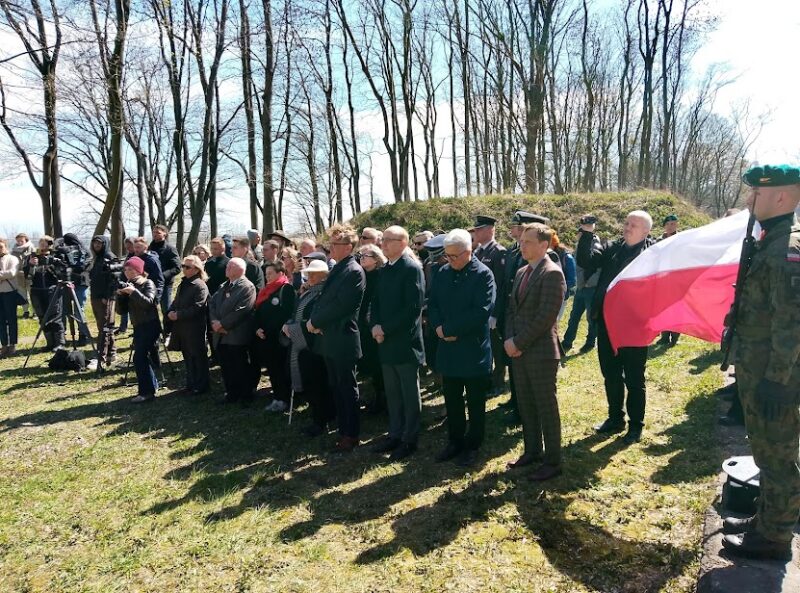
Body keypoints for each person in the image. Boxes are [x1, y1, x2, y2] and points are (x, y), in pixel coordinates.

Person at [720, 164, 800, 561]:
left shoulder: (787, 249)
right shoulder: (770, 240)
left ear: (781, 197)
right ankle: (765, 521)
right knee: (766, 453)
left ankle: (775, 538)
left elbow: (792, 322)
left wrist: (777, 380)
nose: (749, 200)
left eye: (757, 193)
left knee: (779, 457)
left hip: (774, 377)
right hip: (759, 369)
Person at [577, 210, 654, 444]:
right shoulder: (612, 248)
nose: (627, 228)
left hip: (635, 325)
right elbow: (586, 261)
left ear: (646, 231)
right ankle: (615, 418)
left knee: (634, 378)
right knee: (610, 374)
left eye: (634, 225)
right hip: (607, 322)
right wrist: (587, 234)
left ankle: (636, 426)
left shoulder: (653, 253)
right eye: (626, 223)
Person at [428, 229, 495, 467]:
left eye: (454, 256)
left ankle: (473, 444)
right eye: (447, 255)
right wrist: (438, 327)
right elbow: (433, 304)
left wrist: (450, 329)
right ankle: (455, 440)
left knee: (475, 402)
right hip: (448, 348)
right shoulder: (443, 272)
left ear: (469, 251)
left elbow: (481, 312)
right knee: (452, 399)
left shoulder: (483, 274)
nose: (450, 260)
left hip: (472, 348)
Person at [504, 224, 566, 480]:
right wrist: (509, 339)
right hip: (519, 350)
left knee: (545, 407)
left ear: (544, 245)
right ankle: (532, 451)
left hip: (540, 352)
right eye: (522, 241)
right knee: (526, 404)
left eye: (528, 241)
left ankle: (553, 461)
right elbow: (512, 310)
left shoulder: (552, 273)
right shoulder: (522, 272)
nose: (522, 245)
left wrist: (518, 342)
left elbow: (545, 317)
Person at [307, 224, 366, 452]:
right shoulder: (338, 268)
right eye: (330, 243)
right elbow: (323, 300)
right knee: (336, 387)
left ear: (348, 247)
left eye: (335, 244)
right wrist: (315, 321)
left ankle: (351, 434)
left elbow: (342, 306)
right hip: (330, 338)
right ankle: (342, 430)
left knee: (346, 388)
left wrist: (316, 322)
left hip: (343, 339)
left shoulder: (353, 271)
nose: (330, 248)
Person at [370, 226, 426, 461]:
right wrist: (375, 325)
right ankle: (395, 434)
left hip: (404, 342)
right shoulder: (385, 269)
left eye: (388, 240)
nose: (383, 244)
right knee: (393, 393)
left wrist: (385, 329)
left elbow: (412, 309)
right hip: (385, 341)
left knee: (409, 393)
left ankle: (409, 439)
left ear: (403, 243)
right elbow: (376, 302)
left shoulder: (411, 269)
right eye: (382, 240)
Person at [496, 211, 548, 420]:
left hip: (530, 322)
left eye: (516, 226)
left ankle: (522, 408)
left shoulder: (545, 258)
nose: (513, 229)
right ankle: (515, 400)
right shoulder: (514, 251)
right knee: (514, 363)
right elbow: (508, 284)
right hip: (513, 316)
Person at [282, 259, 335, 436]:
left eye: (314, 274)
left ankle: (322, 420)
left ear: (324, 276)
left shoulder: (324, 294)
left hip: (314, 344)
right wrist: (288, 324)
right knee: (309, 382)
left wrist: (295, 327)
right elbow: (295, 313)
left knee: (318, 383)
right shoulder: (306, 292)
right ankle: (317, 415)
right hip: (301, 342)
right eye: (309, 274)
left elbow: (316, 319)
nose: (310, 277)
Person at [209, 258, 257, 406]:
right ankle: (231, 393)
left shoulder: (247, 287)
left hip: (237, 335)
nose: (227, 268)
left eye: (231, 266)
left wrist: (223, 324)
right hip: (220, 334)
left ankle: (245, 395)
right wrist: (215, 322)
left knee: (240, 366)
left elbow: (242, 310)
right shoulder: (223, 285)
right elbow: (212, 304)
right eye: (227, 266)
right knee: (226, 366)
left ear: (241, 270)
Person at [116, 257, 161, 403]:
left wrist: (133, 292)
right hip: (138, 326)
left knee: (139, 358)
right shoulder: (129, 285)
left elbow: (148, 303)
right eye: (126, 269)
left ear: (139, 270)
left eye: (131, 269)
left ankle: (146, 393)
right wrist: (120, 296)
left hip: (150, 325)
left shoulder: (147, 283)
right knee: (141, 357)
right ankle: (152, 386)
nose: (127, 272)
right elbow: (121, 311)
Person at [472, 215, 507, 395]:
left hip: (492, 310)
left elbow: (500, 286)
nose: (476, 232)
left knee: (496, 348)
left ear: (490, 230)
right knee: (485, 347)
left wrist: (495, 314)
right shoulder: (478, 252)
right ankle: (486, 380)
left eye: (479, 229)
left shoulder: (498, 252)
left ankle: (498, 382)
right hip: (480, 309)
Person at [254, 260, 296, 413]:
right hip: (265, 338)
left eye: (271, 273)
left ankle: (284, 399)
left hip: (279, 338)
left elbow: (287, 314)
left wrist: (271, 329)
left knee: (280, 369)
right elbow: (258, 312)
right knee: (272, 369)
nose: (267, 277)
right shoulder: (265, 291)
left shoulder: (286, 289)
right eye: (266, 274)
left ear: (281, 273)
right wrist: (257, 328)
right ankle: (277, 397)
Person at [166, 255, 210, 396]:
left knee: (198, 356)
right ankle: (190, 384)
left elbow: (198, 307)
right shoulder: (183, 283)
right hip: (182, 327)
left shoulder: (200, 285)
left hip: (194, 327)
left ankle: (201, 385)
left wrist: (179, 314)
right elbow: (176, 301)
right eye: (183, 266)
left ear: (196, 269)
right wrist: (170, 311)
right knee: (188, 357)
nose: (184, 269)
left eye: (187, 267)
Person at [356, 243, 387, 413]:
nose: (361, 259)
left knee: (379, 365)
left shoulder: (381, 275)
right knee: (373, 366)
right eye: (360, 256)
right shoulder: (363, 275)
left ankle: (384, 401)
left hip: (376, 326)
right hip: (364, 326)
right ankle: (377, 398)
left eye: (365, 256)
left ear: (376, 259)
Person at [562, 226, 600, 354]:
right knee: (574, 316)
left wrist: (589, 282)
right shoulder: (580, 246)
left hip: (591, 288)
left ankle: (590, 342)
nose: (577, 235)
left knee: (591, 318)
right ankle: (567, 341)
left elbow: (599, 269)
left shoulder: (596, 246)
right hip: (581, 288)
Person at [25, 236, 65, 351]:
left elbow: (61, 274)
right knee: (42, 317)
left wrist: (51, 263)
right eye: (41, 242)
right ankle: (50, 343)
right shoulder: (31, 256)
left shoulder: (56, 256)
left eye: (46, 242)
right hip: (36, 290)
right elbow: (27, 276)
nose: (43, 245)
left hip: (53, 289)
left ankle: (59, 343)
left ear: (50, 244)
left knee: (55, 316)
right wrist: (31, 265)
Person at [88, 235, 119, 365]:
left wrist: (108, 296)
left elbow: (114, 280)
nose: (96, 245)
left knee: (105, 327)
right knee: (103, 326)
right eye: (94, 243)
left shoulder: (110, 257)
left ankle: (102, 356)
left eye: (99, 243)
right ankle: (112, 352)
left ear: (104, 244)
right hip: (95, 295)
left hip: (105, 298)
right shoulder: (96, 258)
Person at [657, 214, 681, 346]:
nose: (671, 226)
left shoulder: (681, 240)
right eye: (668, 224)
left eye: (673, 224)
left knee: (676, 309)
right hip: (662, 279)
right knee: (663, 308)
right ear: (664, 226)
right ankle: (664, 336)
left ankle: (675, 336)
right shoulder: (658, 241)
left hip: (677, 280)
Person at [149, 225, 181, 315]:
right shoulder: (149, 248)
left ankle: (168, 324)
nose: (155, 234)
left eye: (158, 233)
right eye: (154, 232)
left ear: (165, 234)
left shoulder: (170, 249)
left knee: (166, 309)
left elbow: (177, 268)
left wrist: (162, 275)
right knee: (149, 308)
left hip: (165, 284)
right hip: (150, 282)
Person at [0, 238, 20, 358]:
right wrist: (4, 275)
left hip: (9, 292)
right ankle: (4, 344)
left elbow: (12, 273)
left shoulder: (12, 258)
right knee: (0, 321)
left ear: (5, 247)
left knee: (11, 319)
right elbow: (6, 274)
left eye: (1, 247)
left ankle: (12, 344)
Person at [549, 232, 576, 322]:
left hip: (559, 297)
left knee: (553, 323)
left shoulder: (567, 258)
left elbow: (572, 280)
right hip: (545, 296)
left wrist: (558, 288)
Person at [115, 237, 136, 334]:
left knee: (133, 307)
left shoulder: (137, 256)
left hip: (133, 284)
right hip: (124, 283)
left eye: (130, 246)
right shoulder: (128, 256)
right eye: (126, 247)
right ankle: (123, 326)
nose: (128, 249)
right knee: (123, 306)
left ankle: (135, 327)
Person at [11, 233, 34, 319]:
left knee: (32, 294)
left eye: (22, 241)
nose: (20, 242)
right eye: (18, 241)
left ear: (26, 240)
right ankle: (25, 311)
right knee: (22, 294)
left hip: (30, 274)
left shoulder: (31, 248)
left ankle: (35, 312)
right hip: (19, 275)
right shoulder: (13, 251)